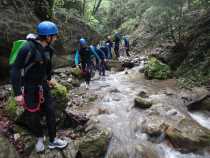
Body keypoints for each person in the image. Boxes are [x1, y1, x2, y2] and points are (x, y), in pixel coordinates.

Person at [11, 21, 68, 153]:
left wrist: (49, 79)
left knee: (50, 111)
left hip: (43, 85)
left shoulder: (49, 50)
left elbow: (47, 68)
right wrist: (17, 93)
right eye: (55, 36)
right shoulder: (27, 48)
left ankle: (53, 140)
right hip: (29, 86)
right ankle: (39, 137)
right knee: (33, 115)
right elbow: (15, 70)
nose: (56, 38)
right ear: (48, 37)